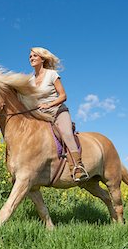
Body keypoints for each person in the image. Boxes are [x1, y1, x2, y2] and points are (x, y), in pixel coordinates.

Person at [29, 47, 88, 182]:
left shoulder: (52, 74)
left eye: (34, 56)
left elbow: (63, 96)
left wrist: (48, 105)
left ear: (42, 59)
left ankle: (78, 167)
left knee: (66, 133)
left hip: (58, 111)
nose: (31, 58)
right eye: (30, 56)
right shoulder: (30, 80)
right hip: (41, 115)